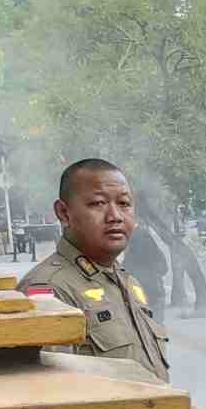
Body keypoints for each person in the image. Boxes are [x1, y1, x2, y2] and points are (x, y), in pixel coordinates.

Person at [19, 159, 172, 380]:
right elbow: (52, 396)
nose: (115, 216)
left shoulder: (127, 282)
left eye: (124, 204)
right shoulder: (48, 290)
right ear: (63, 213)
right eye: (98, 203)